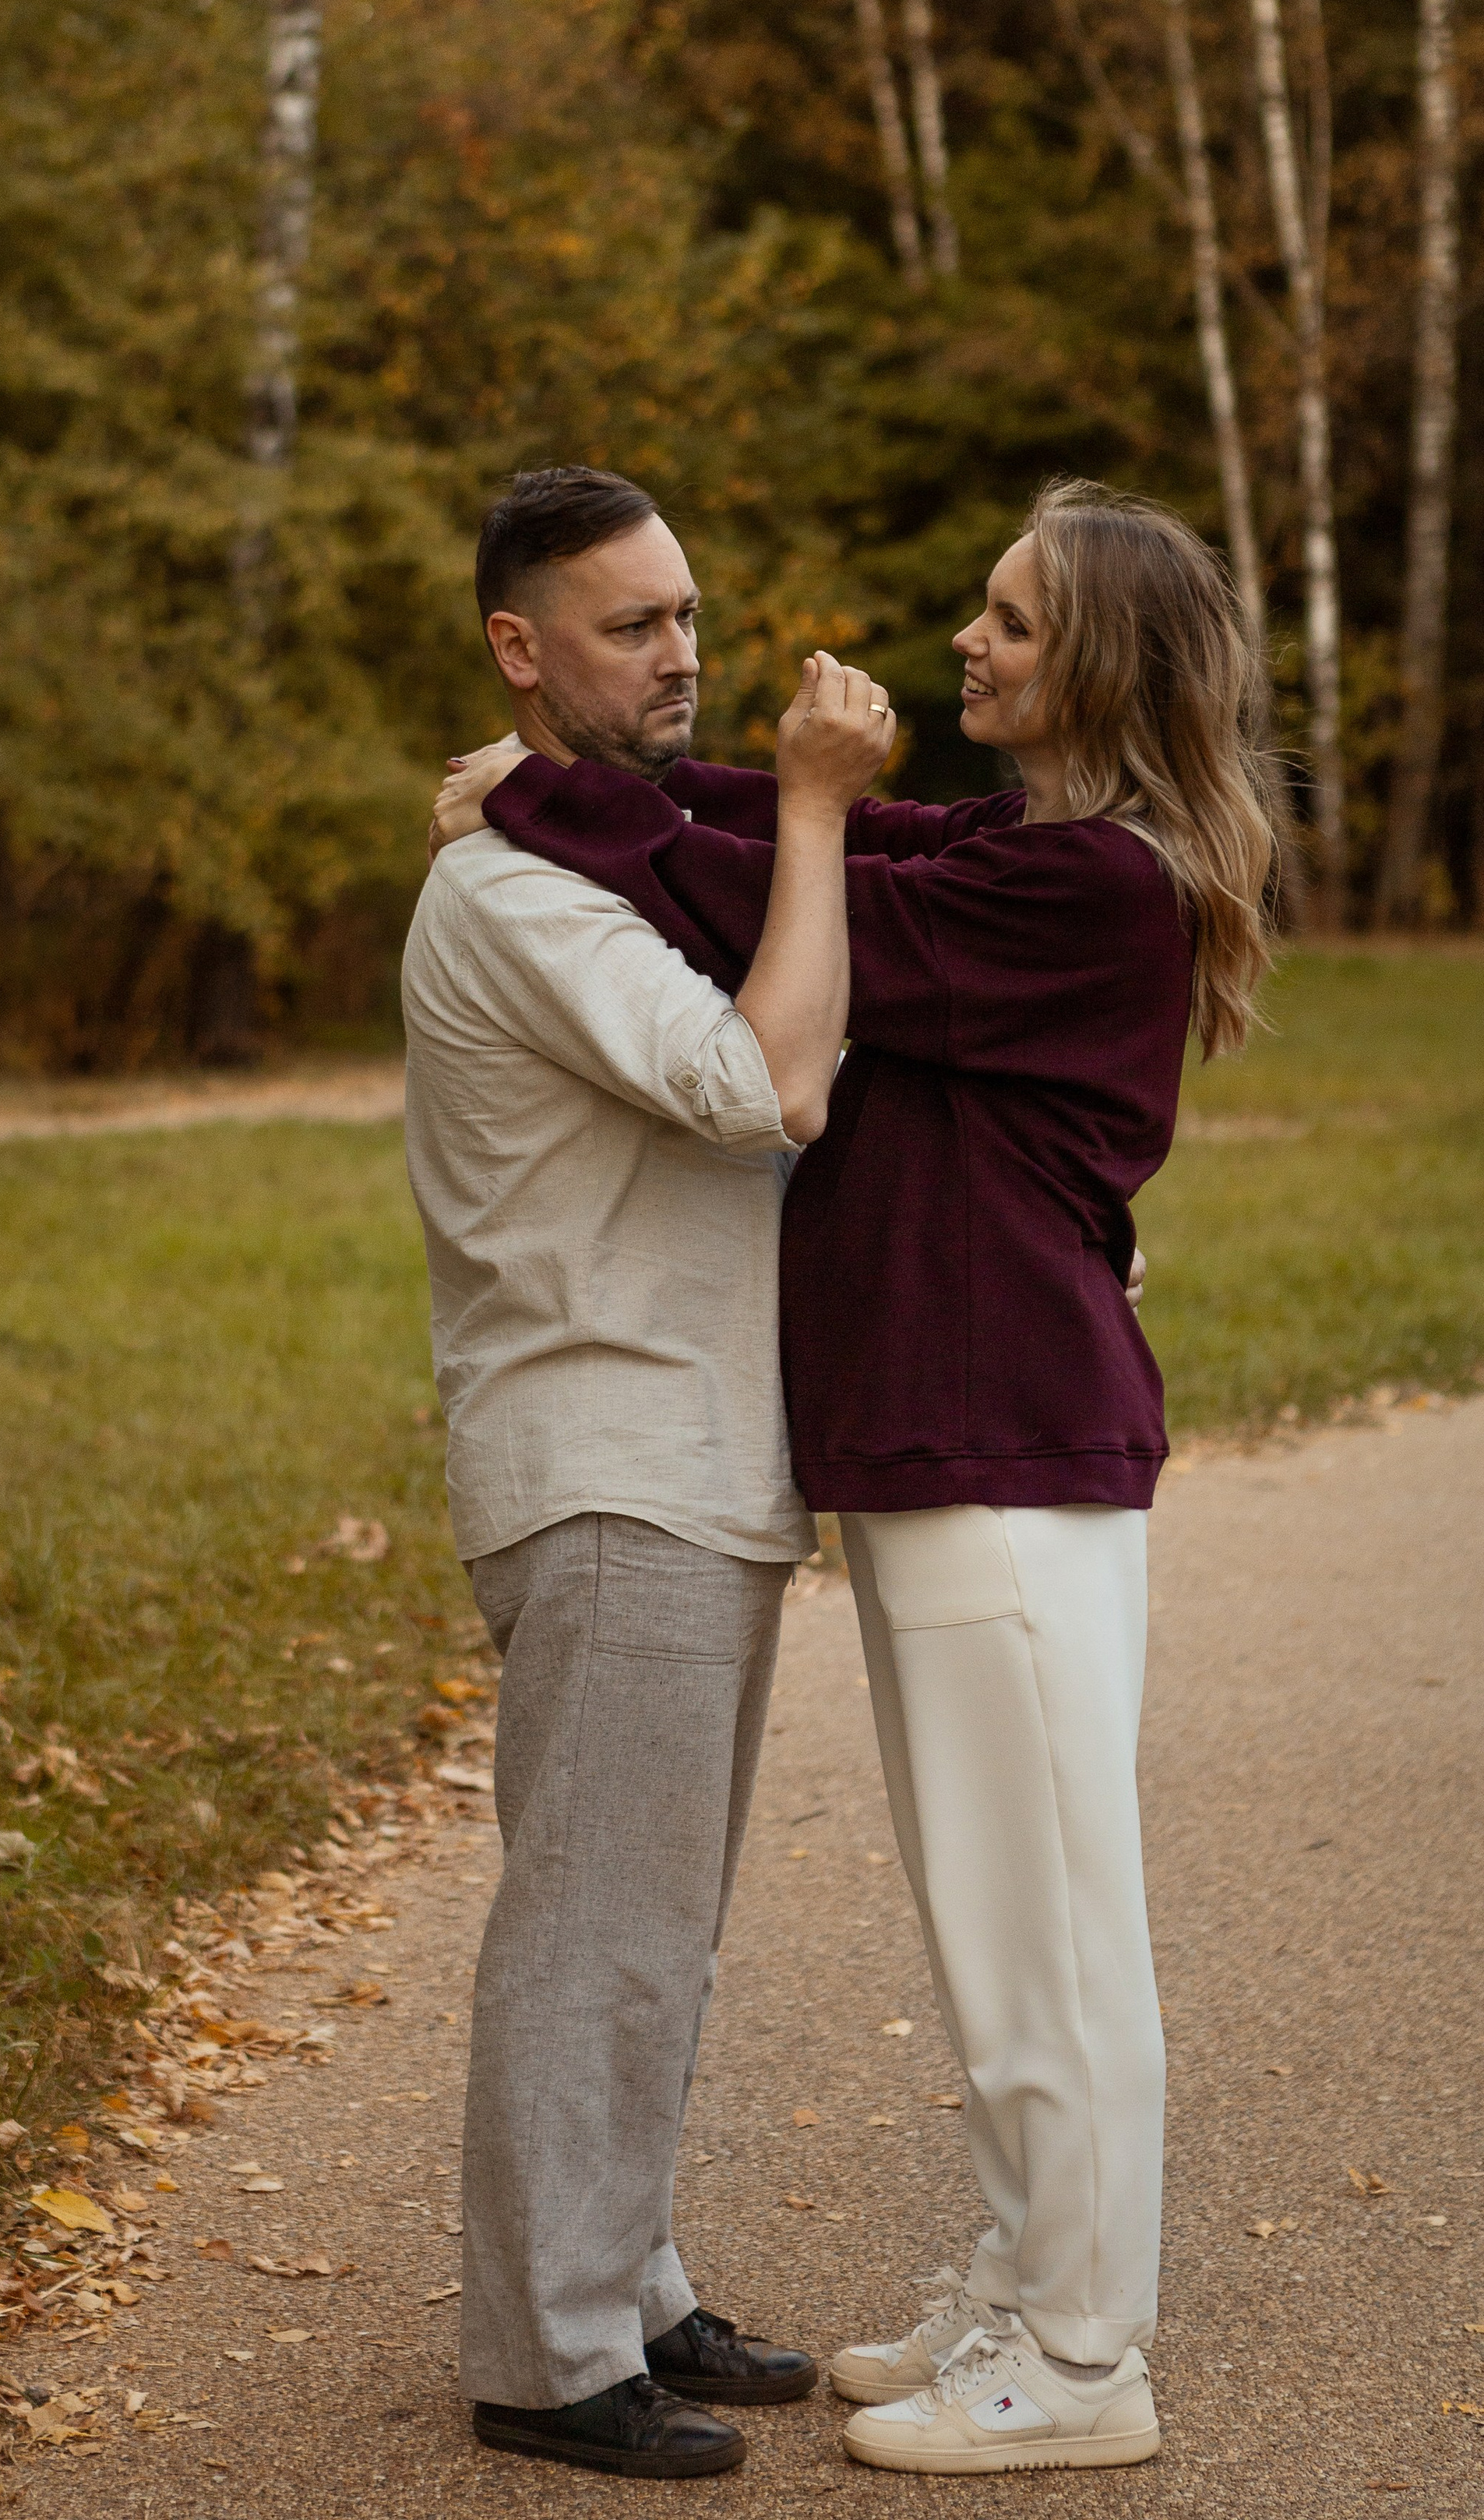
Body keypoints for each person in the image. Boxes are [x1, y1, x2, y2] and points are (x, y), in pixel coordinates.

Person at [432, 478, 1275, 2477]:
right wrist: (593, 787)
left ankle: (1079, 2356)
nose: (963, 642)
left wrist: (547, 797)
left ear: (1100, 665)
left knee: (1046, 1924)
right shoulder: (1017, 846)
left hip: (1006, 1438)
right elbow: (788, 832)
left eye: (1009, 619)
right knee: (990, 1910)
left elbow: (787, 899)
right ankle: (1017, 2279)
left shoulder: (1097, 885)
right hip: (933, 1439)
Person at [400, 465, 897, 2480]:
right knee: (595, 1925)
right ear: (519, 650)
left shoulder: (591, 857)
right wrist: (817, 812)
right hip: (608, 1460)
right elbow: (764, 1083)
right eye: (632, 625)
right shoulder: (513, 897)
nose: (682, 653)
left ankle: (627, 2280)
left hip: (686, 1457)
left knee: (654, 1921)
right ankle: (546, 2352)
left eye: (687, 613)